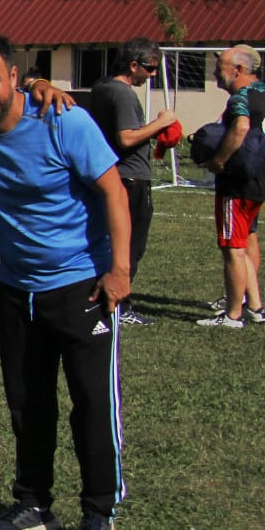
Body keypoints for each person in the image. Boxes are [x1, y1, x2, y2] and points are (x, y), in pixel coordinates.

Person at [0, 29, 130, 530]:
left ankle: (99, 512)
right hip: (16, 290)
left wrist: (120, 271)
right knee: (27, 403)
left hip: (81, 285)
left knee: (91, 404)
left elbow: (114, 191)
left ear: (13, 75)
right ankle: (33, 503)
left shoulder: (62, 120)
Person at [86, 38, 177, 326]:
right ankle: (120, 306)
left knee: (110, 242)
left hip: (110, 175)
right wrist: (161, 124)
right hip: (131, 178)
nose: (152, 74)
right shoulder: (123, 93)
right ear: (133, 65)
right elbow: (126, 138)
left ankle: (104, 300)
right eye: (150, 68)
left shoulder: (101, 87)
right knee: (130, 247)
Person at [199, 44, 265, 328]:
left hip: (236, 184)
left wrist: (219, 160)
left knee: (232, 247)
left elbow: (241, 127)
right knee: (247, 239)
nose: (215, 75)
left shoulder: (240, 98)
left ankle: (233, 314)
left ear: (239, 70)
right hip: (258, 179)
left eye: (220, 69)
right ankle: (254, 306)